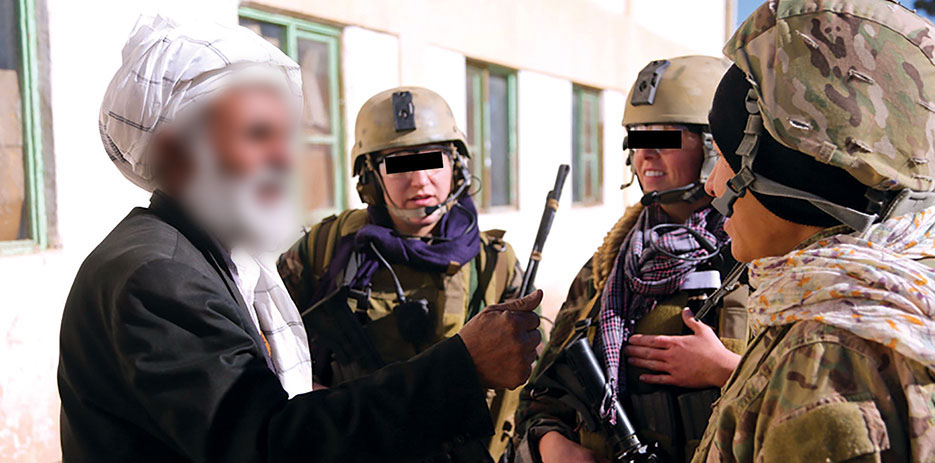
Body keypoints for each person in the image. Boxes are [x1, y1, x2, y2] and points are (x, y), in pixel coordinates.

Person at [58, 15, 542, 463]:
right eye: (256, 134)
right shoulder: (160, 278)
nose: (285, 158)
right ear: (175, 152)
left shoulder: (208, 258)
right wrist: (461, 366)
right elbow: (270, 443)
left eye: (285, 136)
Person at [694, 0, 935, 460]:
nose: (712, 183)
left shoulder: (830, 369)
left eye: (724, 158)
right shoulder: (929, 285)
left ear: (792, 169)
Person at [513, 56, 747, 463]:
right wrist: (552, 443)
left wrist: (726, 369)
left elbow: (812, 389)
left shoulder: (756, 257)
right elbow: (544, 394)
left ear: (714, 147)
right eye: (638, 139)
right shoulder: (610, 264)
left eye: (667, 139)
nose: (647, 155)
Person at [276, 86, 526, 459]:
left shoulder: (495, 263)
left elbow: (528, 380)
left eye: (433, 160)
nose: (420, 181)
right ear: (370, 176)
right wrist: (302, 389)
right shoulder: (327, 248)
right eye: (399, 165)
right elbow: (264, 338)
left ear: (456, 165)